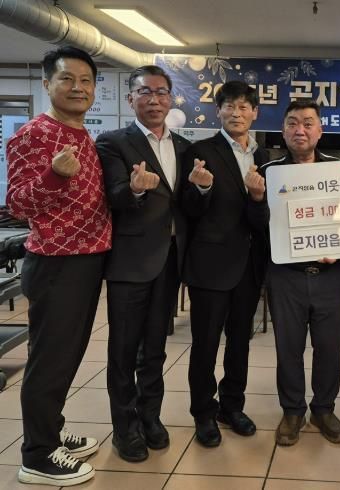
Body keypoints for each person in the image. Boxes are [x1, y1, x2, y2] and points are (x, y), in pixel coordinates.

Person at [6, 46, 112, 486]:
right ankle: (37, 455)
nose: (77, 87)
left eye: (86, 80)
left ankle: (49, 430)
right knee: (49, 361)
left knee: (66, 357)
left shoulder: (82, 134)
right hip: (56, 263)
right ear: (47, 83)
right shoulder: (35, 134)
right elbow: (17, 203)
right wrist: (54, 176)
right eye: (67, 78)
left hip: (86, 261)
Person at [95, 65, 190, 462]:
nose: (154, 99)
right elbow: (113, 195)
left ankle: (150, 417)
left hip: (170, 262)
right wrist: (133, 189)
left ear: (170, 98)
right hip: (130, 263)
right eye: (145, 92)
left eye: (161, 92)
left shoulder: (184, 146)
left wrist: (203, 189)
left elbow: (185, 202)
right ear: (130, 98)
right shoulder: (113, 142)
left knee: (155, 349)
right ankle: (125, 428)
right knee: (123, 350)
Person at [180, 81, 269, 447]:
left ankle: (232, 406)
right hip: (210, 265)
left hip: (249, 266)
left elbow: (263, 218)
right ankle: (203, 412)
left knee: (240, 343)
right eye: (229, 106)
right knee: (205, 344)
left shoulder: (265, 156)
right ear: (218, 111)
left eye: (244, 106)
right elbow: (187, 210)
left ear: (255, 113)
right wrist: (200, 188)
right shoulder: (200, 151)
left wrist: (258, 198)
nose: (236, 113)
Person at [261, 100, 340, 446]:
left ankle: (324, 409)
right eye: (293, 123)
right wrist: (255, 198)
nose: (300, 130)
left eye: (308, 123)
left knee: (330, 348)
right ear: (283, 130)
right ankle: (292, 410)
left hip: (331, 276)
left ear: (320, 130)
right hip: (286, 276)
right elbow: (256, 225)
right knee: (288, 348)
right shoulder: (268, 172)